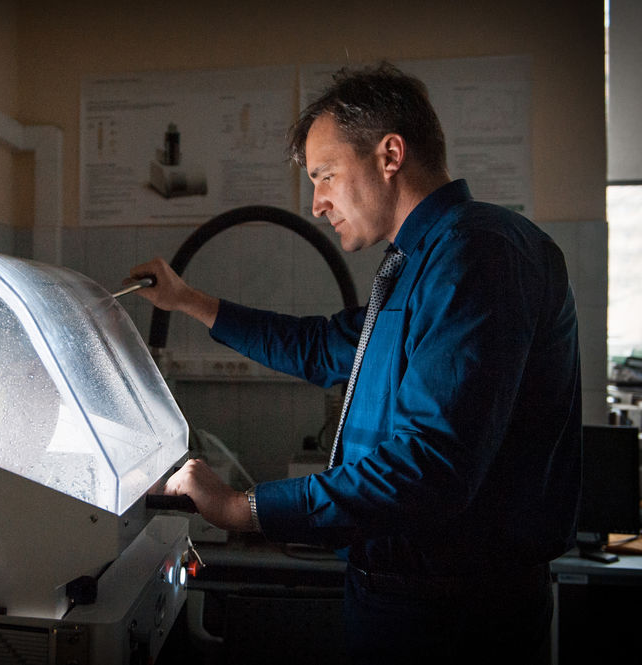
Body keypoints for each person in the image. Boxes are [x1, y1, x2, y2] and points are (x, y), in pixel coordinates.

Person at [130, 62, 581, 664]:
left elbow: (430, 465)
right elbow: (322, 348)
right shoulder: (425, 263)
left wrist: (244, 508)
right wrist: (188, 300)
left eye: (326, 176)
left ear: (390, 155)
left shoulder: (478, 254)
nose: (318, 203)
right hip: (400, 601)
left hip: (455, 617)